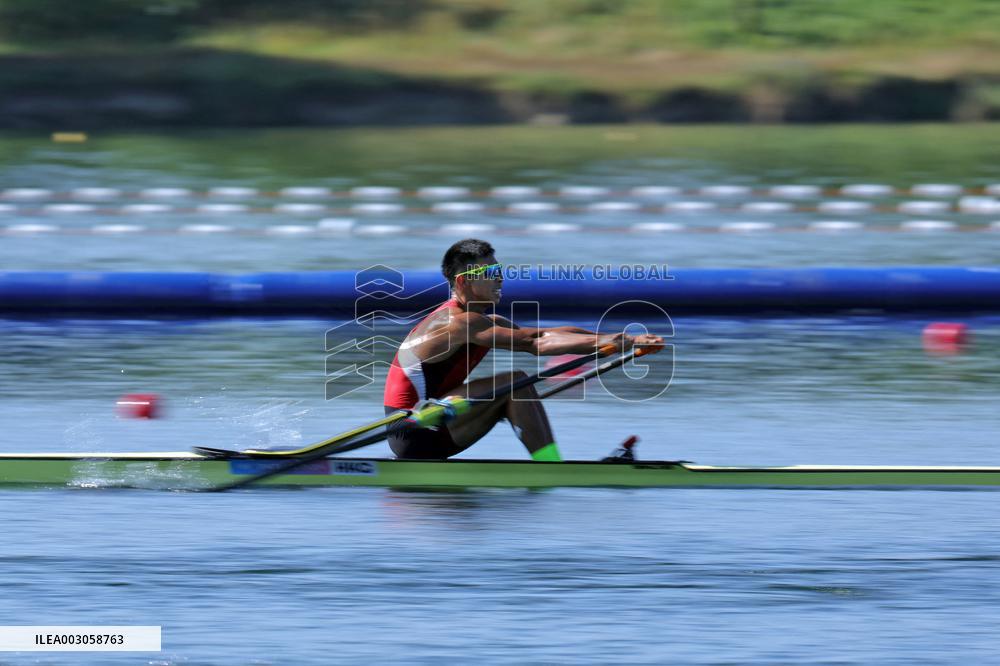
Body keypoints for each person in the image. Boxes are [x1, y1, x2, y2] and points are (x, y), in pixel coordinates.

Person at [383, 239, 662, 460]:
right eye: (489, 273)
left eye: (499, 271)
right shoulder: (458, 323)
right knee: (516, 383)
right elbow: (535, 344)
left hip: (437, 419)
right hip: (414, 430)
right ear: (463, 281)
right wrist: (611, 342)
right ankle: (551, 467)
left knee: (517, 386)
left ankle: (549, 463)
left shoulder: (484, 322)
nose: (499, 279)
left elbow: (544, 334)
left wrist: (618, 339)